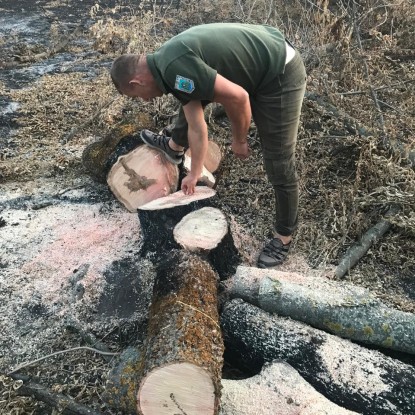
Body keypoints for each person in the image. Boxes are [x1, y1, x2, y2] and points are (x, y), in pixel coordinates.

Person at [110, 23, 307, 268]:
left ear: (135, 83)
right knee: (193, 96)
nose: (146, 100)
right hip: (261, 54)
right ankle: (174, 146)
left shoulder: (175, 70)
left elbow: (239, 98)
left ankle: (283, 237)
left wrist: (239, 139)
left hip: (279, 71)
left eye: (138, 96)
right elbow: (196, 125)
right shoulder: (164, 65)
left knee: (278, 159)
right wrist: (194, 174)